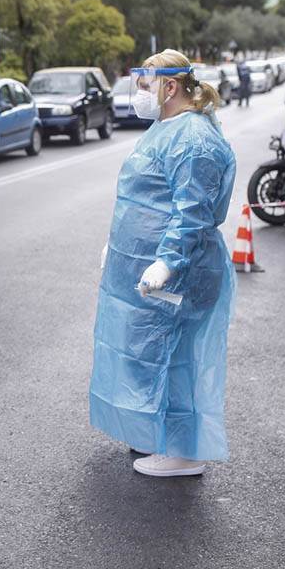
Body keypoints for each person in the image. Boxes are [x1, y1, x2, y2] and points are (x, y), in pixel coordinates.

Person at [91, 49, 237, 478]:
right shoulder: (166, 126)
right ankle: (160, 434)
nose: (138, 92)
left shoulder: (193, 139)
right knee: (149, 354)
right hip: (146, 266)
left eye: (144, 83)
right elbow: (148, 197)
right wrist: (117, 245)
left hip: (179, 274)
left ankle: (184, 453)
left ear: (169, 86)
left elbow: (191, 212)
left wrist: (167, 264)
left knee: (175, 359)